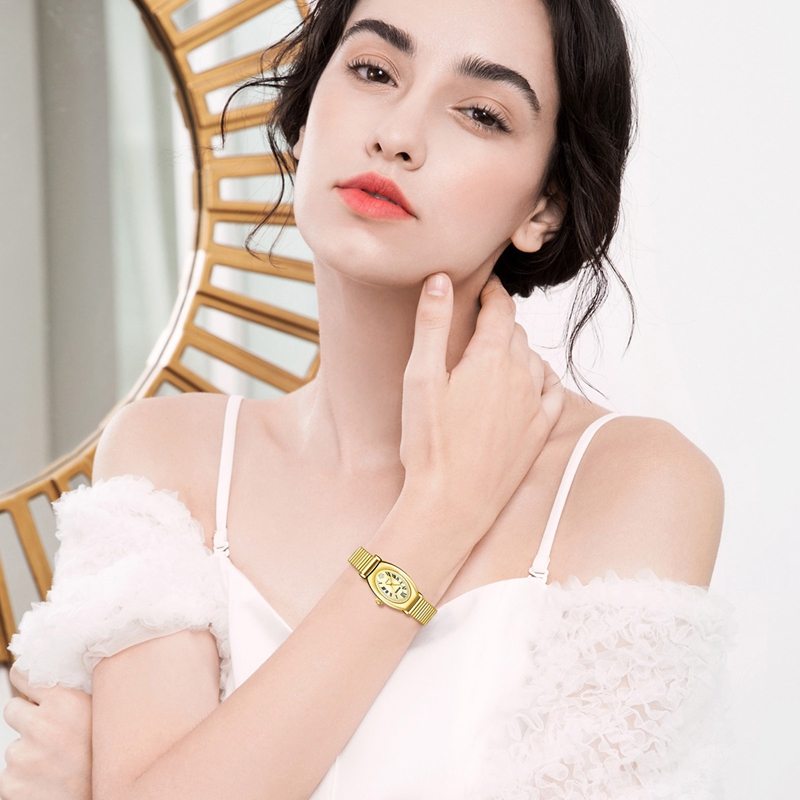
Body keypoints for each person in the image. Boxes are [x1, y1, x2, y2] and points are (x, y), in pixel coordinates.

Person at [0, 0, 732, 797]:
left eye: (481, 114)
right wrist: (436, 520)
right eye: (374, 70)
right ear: (305, 119)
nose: (399, 134)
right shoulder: (167, 456)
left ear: (544, 207)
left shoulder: (632, 482)